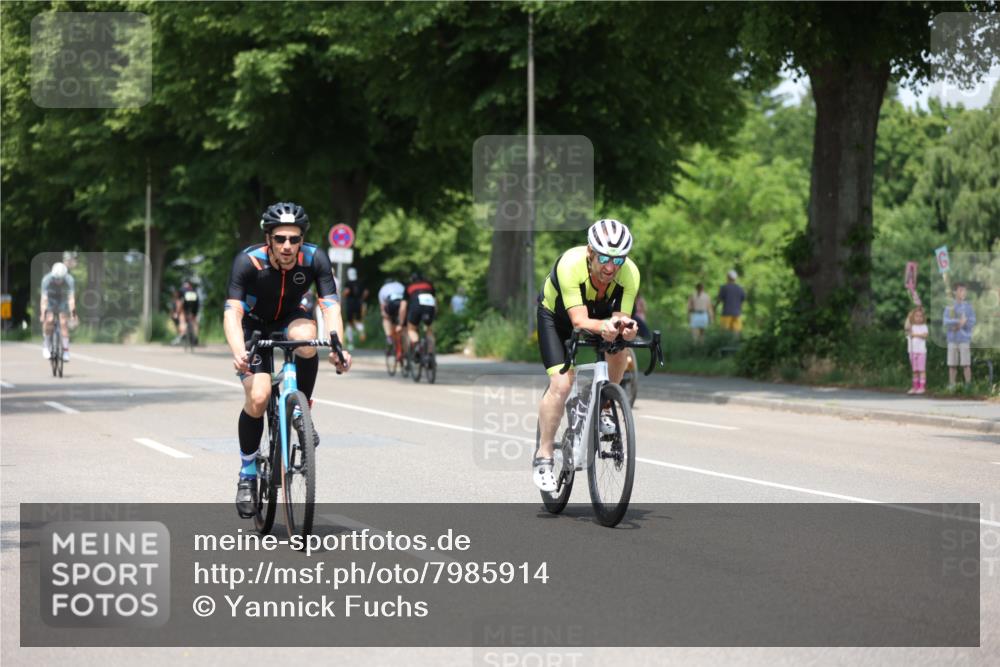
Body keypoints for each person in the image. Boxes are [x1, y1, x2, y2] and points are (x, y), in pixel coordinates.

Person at [224, 202, 352, 518]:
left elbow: (330, 307)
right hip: (252, 326)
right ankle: (248, 472)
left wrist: (338, 347)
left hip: (291, 319)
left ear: (301, 239)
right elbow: (232, 313)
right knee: (258, 395)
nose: (287, 246)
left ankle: (300, 408)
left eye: (294, 239)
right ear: (268, 238)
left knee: (307, 339)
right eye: (280, 238)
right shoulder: (248, 261)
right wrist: (239, 352)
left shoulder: (314, 258)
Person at [533, 219, 640, 492]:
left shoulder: (630, 274)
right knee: (562, 383)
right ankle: (544, 455)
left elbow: (619, 318)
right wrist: (605, 326)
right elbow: (579, 321)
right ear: (590, 251)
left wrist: (625, 329)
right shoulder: (570, 265)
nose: (610, 267)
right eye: (604, 257)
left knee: (620, 347)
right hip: (558, 319)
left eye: (618, 260)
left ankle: (605, 407)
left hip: (597, 317)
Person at [39, 261, 76, 362]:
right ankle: (46, 346)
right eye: (56, 278)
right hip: (50, 300)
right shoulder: (46, 280)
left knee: (64, 323)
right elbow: (44, 299)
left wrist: (73, 314)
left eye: (60, 279)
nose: (58, 281)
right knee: (49, 320)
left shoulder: (69, 280)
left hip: (62, 300)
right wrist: (43, 314)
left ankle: (66, 351)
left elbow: (71, 299)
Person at [398, 272, 437, 365]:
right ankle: (430, 355)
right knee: (429, 330)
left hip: (416, 307)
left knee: (411, 329)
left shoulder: (409, 287)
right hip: (429, 307)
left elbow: (403, 307)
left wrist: (400, 323)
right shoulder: (429, 285)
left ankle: (417, 347)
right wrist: (434, 315)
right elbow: (435, 302)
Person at [943, 282, 976, 390]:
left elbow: (971, 321)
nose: (963, 292)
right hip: (952, 339)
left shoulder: (968, 307)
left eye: (964, 290)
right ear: (954, 292)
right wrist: (959, 322)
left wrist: (962, 324)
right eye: (960, 290)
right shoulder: (949, 307)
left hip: (964, 339)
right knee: (952, 364)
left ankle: (968, 386)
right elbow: (946, 322)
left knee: (966, 363)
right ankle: (952, 385)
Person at [378, 276, 406, 362]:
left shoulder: (383, 289)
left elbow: (383, 308)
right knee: (403, 326)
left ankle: (389, 336)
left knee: (385, 318)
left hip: (391, 304)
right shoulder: (400, 285)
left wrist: (385, 314)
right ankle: (406, 347)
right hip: (402, 304)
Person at [342, 267, 369, 350]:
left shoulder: (348, 283)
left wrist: (344, 295)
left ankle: (350, 343)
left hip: (350, 304)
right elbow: (366, 292)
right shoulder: (360, 282)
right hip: (359, 304)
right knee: (358, 320)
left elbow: (346, 292)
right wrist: (361, 299)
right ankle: (361, 331)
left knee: (350, 323)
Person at [904, 306, 928, 395]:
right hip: (912, 351)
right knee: (915, 370)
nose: (918, 318)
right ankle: (915, 387)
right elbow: (906, 327)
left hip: (921, 351)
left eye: (920, 316)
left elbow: (925, 335)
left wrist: (915, 335)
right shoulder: (911, 327)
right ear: (913, 317)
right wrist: (908, 316)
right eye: (916, 316)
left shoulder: (924, 326)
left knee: (921, 369)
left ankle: (922, 387)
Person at [715, 270, 746, 337]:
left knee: (724, 332)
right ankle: (735, 346)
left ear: (728, 277)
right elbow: (743, 300)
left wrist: (714, 307)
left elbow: (719, 300)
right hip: (737, 313)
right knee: (736, 332)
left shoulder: (724, 287)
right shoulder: (740, 288)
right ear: (735, 278)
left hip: (726, 313)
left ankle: (725, 346)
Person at [177, 279, 200, 345]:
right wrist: (195, 313)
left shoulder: (181, 290)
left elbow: (179, 302)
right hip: (195, 304)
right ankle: (195, 336)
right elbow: (198, 303)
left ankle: (183, 333)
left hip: (186, 305)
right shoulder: (194, 290)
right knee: (194, 320)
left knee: (182, 317)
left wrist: (178, 313)